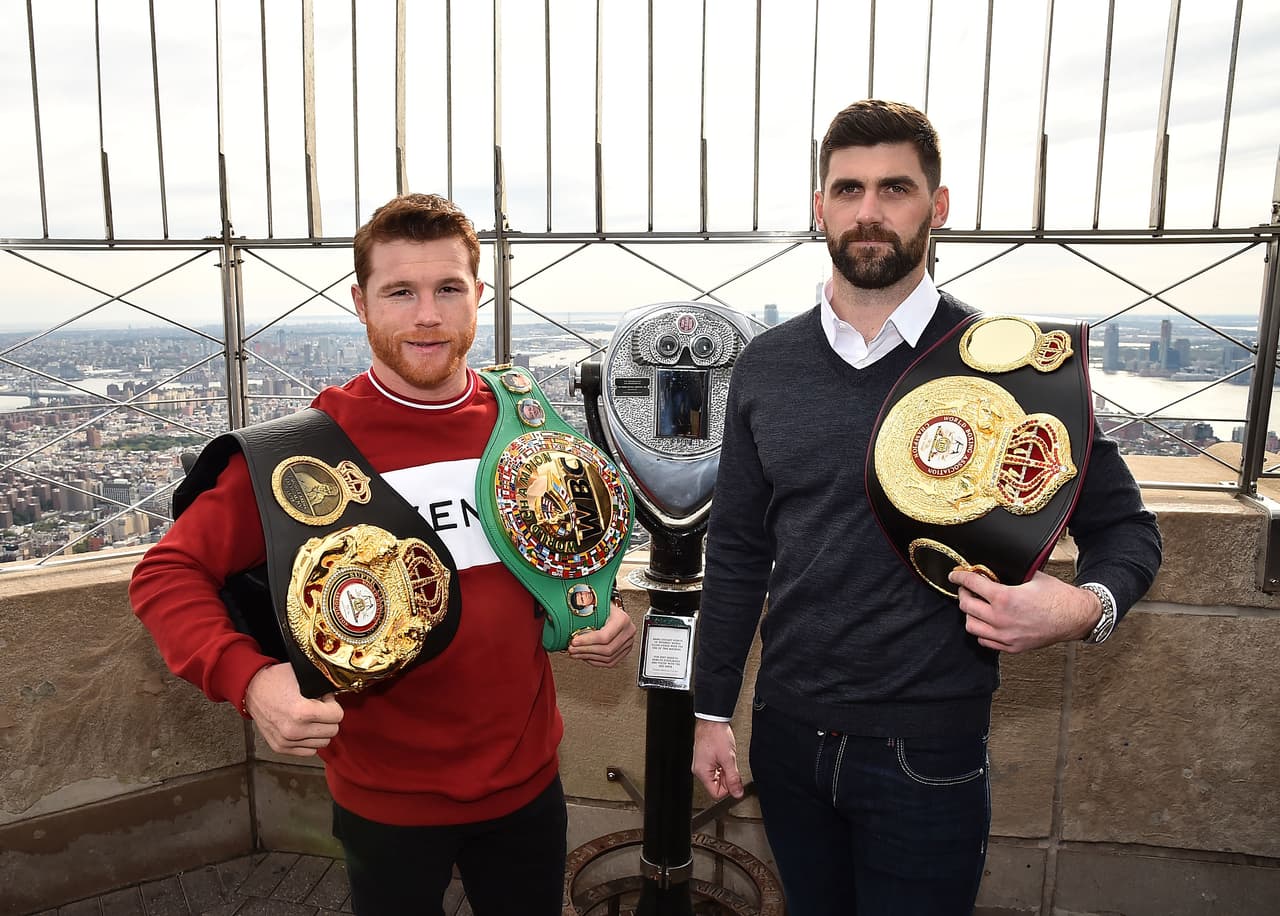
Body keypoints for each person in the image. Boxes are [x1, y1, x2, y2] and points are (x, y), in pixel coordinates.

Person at [690, 100, 1161, 915]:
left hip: (928, 749)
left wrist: (1085, 608)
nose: (868, 213)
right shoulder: (766, 365)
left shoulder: (1017, 368)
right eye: (847, 190)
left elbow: (1127, 529)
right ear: (820, 209)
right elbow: (735, 550)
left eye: (895, 188)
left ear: (938, 207)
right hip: (789, 733)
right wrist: (709, 711)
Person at [130, 193, 636, 916]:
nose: (427, 314)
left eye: (448, 289)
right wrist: (249, 680)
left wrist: (594, 605)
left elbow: (554, 551)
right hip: (386, 800)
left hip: (528, 784)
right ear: (361, 302)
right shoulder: (302, 456)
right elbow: (165, 573)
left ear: (478, 298)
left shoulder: (526, 426)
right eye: (400, 291)